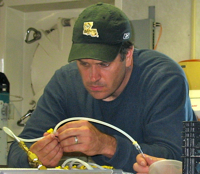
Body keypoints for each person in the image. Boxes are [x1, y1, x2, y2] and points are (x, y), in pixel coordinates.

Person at [7, 2, 195, 173]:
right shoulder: (65, 82)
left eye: (103, 64)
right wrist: (33, 157)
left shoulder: (164, 78)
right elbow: (17, 150)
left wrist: (107, 145)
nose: (92, 77)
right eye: (83, 63)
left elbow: (179, 160)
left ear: (128, 55)